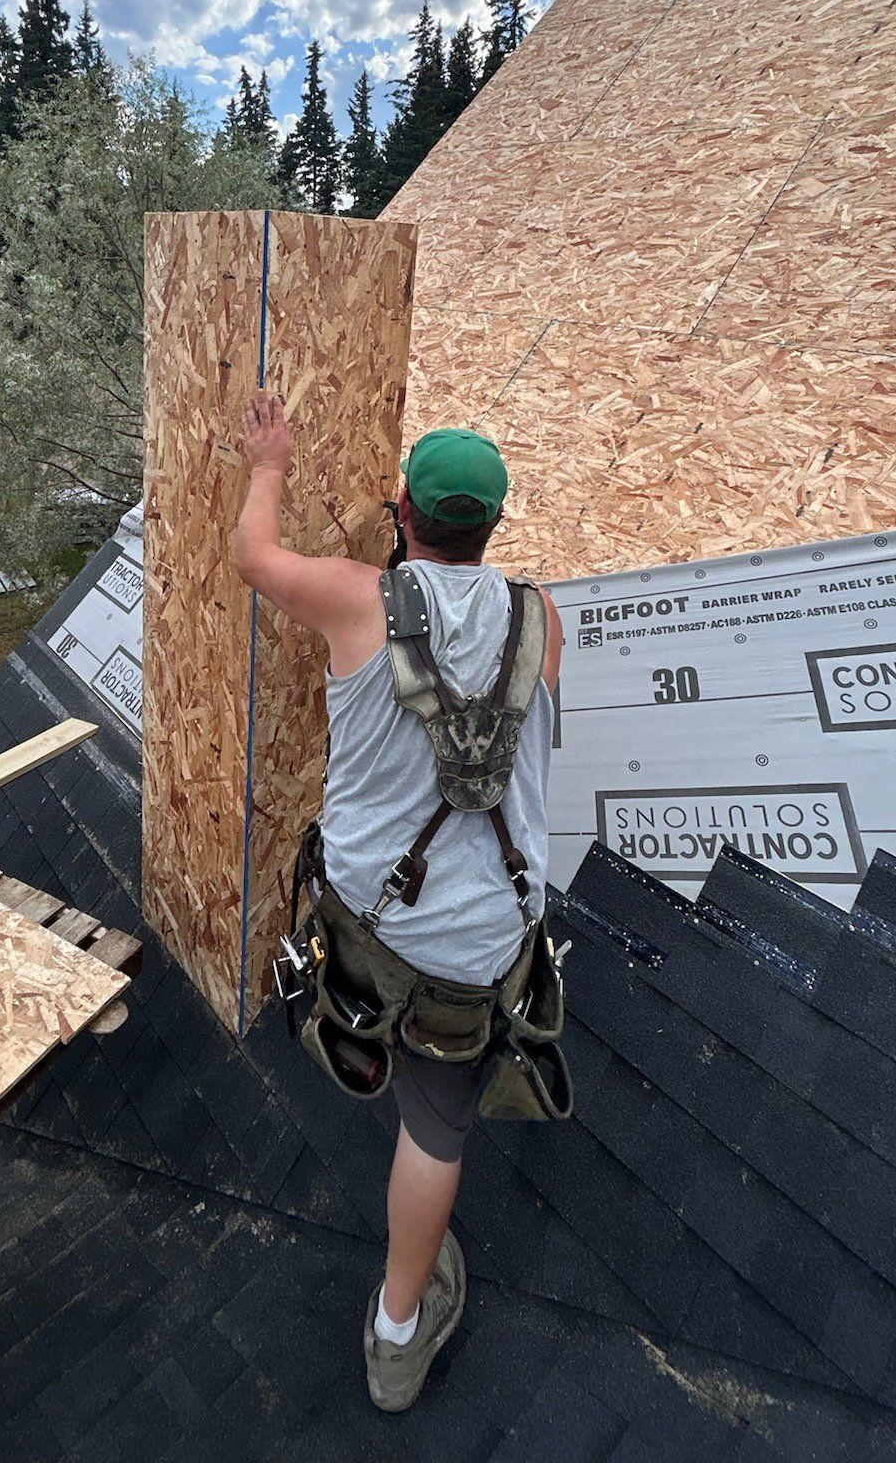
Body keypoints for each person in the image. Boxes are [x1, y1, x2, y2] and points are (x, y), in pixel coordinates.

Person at [232, 390, 564, 1412]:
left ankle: (355, 1033)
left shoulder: (355, 598)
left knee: (369, 978)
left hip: (371, 926)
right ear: (495, 526)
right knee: (438, 1129)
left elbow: (252, 555)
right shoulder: (543, 616)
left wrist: (270, 462)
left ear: (403, 514)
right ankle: (396, 1328)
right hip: (481, 942)